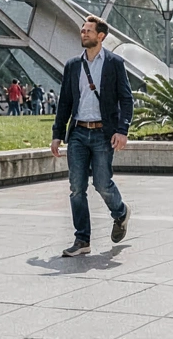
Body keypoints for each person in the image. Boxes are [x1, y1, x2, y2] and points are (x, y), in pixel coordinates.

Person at [51, 16, 134, 257]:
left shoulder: (114, 63)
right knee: (76, 188)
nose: (83, 34)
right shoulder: (72, 66)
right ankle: (82, 239)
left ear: (101, 36)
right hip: (78, 132)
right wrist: (57, 134)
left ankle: (120, 212)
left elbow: (126, 99)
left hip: (103, 133)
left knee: (102, 183)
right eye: (82, 30)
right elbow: (65, 102)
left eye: (88, 31)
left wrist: (122, 130)